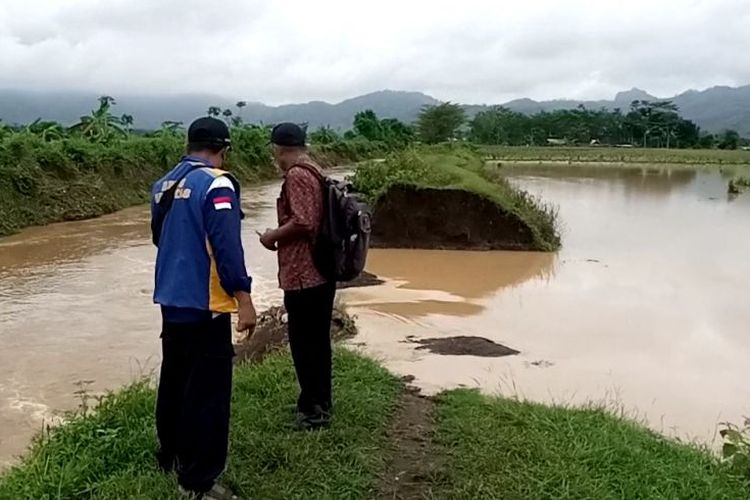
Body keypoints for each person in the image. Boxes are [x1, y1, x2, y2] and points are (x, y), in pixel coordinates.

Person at [150, 117, 256, 499]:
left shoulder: (164, 184)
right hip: (205, 303)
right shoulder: (217, 183)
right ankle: (198, 481)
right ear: (223, 150)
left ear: (190, 144)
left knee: (175, 379)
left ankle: (171, 455)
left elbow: (159, 238)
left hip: (171, 297)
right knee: (208, 391)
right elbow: (227, 247)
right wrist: (243, 298)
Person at [259, 122, 336, 430]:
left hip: (304, 274)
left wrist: (272, 236)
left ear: (278, 148)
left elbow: (303, 222)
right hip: (321, 270)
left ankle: (314, 410)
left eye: (274, 150)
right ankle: (319, 401)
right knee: (317, 340)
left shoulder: (297, 175)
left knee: (304, 342)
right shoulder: (314, 169)